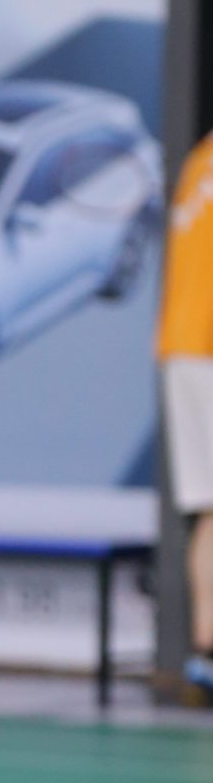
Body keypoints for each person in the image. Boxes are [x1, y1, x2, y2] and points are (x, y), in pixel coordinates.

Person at [158, 132, 213, 692]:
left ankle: (205, 649)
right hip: (209, 347)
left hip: (182, 346)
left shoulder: (199, 159)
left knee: (209, 506)